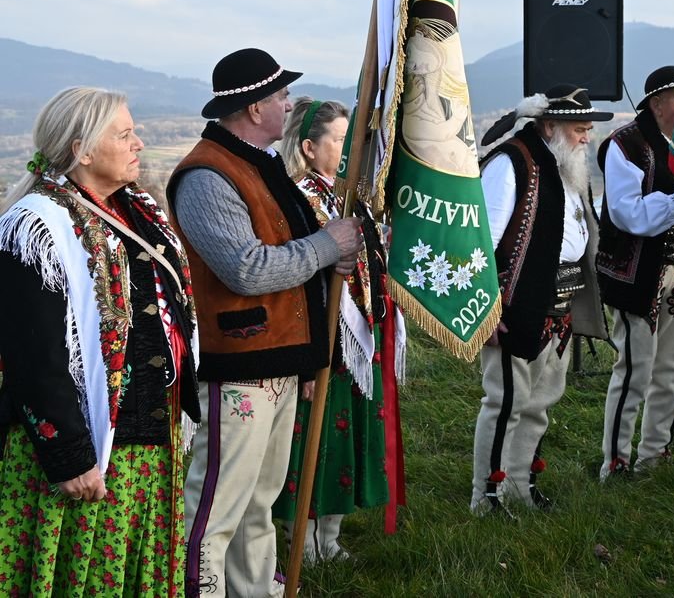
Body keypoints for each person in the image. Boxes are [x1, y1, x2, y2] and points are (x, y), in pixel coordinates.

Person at [169, 49, 364, 597]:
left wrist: (327, 261)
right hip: (238, 365)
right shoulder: (207, 175)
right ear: (255, 108)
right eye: (281, 96)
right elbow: (245, 269)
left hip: (278, 360)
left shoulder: (261, 164)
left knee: (259, 503)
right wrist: (327, 246)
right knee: (216, 507)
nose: (288, 105)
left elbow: (292, 253)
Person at [0, 88, 200, 596]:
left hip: (145, 441)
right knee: (84, 576)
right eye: (125, 134)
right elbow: (34, 354)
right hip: (86, 452)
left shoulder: (136, 212)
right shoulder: (39, 225)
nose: (139, 143)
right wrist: (69, 457)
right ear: (82, 151)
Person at [271, 98, 407, 560]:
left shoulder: (347, 198)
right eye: (339, 140)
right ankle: (302, 538)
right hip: (323, 337)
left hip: (357, 338)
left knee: (345, 436)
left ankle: (330, 535)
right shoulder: (297, 200)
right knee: (318, 436)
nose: (348, 149)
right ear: (309, 147)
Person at [471, 85, 612, 514]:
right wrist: (485, 310)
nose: (587, 136)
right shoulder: (511, 163)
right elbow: (481, 242)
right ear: (549, 125)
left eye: (587, 128)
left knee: (539, 402)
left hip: (560, 305)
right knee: (505, 401)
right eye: (579, 128)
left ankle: (519, 486)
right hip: (516, 305)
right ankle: (487, 497)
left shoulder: (565, 166)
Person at [597, 66, 674, 478]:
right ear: (658, 105)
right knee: (635, 370)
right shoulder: (625, 145)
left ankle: (655, 457)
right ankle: (616, 461)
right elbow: (628, 214)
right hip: (637, 273)